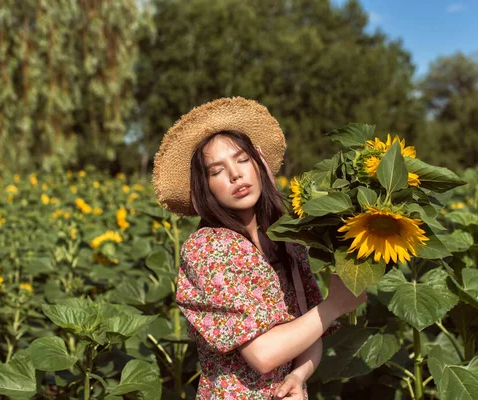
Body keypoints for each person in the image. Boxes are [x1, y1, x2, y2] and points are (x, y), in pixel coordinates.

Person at [152, 97, 366, 399]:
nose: (235, 174)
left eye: (242, 160)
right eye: (216, 171)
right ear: (204, 186)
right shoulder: (209, 248)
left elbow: (306, 324)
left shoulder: (287, 239)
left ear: (259, 162)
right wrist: (335, 305)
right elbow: (263, 353)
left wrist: (299, 375)